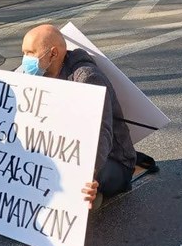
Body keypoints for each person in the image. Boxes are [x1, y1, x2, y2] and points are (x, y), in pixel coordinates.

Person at [21, 23, 157, 202]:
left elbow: (101, 134)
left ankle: (95, 193)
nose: (25, 59)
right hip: (67, 153)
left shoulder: (87, 79)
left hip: (110, 158)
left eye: (30, 53)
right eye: (24, 53)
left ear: (53, 54)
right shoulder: (39, 76)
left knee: (78, 184)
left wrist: (87, 174)